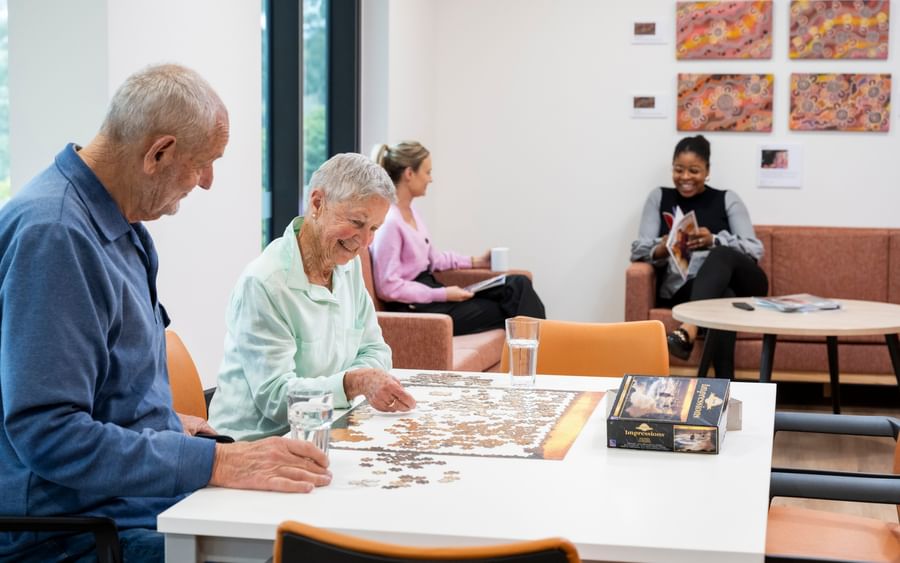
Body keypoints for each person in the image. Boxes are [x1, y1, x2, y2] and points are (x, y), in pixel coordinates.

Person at [0, 64, 331, 563]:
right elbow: (49, 434)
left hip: (131, 503)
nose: (208, 182)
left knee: (305, 523)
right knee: (291, 552)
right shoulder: (55, 236)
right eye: (203, 164)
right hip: (74, 533)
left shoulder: (123, 228)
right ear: (159, 153)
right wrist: (216, 462)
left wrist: (165, 422)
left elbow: (100, 385)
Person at [208, 153, 416, 441]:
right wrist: (352, 384)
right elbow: (276, 399)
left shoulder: (348, 266)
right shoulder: (265, 283)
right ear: (318, 203)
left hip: (327, 426)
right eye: (357, 222)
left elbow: (376, 350)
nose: (365, 242)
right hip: (257, 442)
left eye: (374, 229)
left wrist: (359, 382)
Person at [370, 141, 545, 336]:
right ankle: (546, 350)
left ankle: (544, 348)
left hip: (431, 294)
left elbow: (435, 259)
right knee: (509, 308)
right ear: (409, 173)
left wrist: (477, 261)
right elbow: (388, 286)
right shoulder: (390, 223)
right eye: (427, 172)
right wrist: (442, 294)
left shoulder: (412, 213)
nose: (430, 179)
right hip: (416, 307)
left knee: (517, 284)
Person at [630, 135, 768, 378]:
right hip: (686, 287)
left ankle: (689, 327)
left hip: (745, 282)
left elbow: (754, 249)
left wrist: (713, 240)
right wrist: (663, 247)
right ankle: (725, 383)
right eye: (678, 170)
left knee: (721, 252)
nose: (685, 177)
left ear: (707, 171)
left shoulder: (727, 199)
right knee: (724, 299)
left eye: (694, 170)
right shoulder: (659, 197)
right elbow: (637, 249)